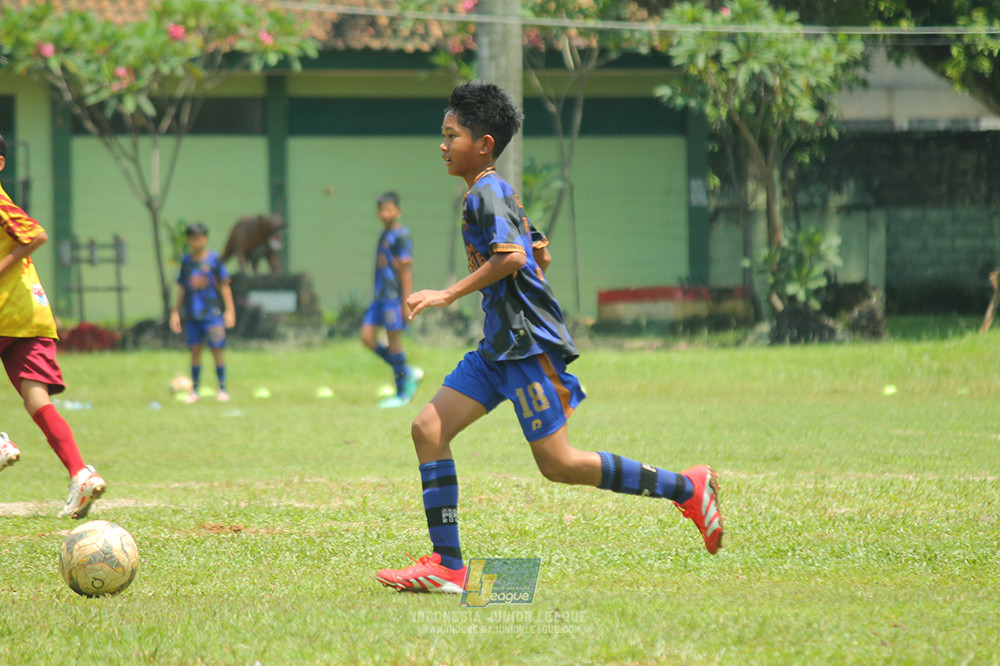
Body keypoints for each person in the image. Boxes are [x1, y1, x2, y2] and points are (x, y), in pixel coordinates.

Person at [375, 81, 724, 593]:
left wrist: (448, 293)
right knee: (428, 430)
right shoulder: (490, 191)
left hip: (526, 347)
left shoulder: (488, 191)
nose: (443, 145)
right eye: (443, 135)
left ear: (485, 144)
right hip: (498, 346)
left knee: (558, 464)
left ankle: (686, 486)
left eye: (452, 135)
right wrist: (537, 248)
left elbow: (512, 256)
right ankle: (448, 566)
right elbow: (531, 244)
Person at [0, 133, 107, 519]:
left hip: (7, 310)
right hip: (31, 314)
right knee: (36, 398)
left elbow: (36, 234)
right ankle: (80, 474)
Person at [361, 191, 422, 409]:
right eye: (381, 210)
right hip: (380, 297)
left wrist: (407, 301)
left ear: (398, 211)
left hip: (394, 298)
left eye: (389, 209)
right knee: (367, 337)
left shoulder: (401, 235)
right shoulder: (384, 234)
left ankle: (402, 393)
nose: (385, 214)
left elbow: (406, 270)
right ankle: (408, 371)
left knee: (394, 341)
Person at [169, 222, 235, 403]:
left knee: (217, 350)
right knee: (195, 351)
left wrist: (230, 310)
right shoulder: (186, 262)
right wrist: (176, 312)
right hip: (192, 315)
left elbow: (224, 285)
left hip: (212, 315)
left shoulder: (214, 260)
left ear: (205, 239)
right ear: (189, 241)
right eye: (193, 239)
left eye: (200, 238)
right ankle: (195, 391)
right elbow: (182, 288)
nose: (196, 242)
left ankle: (222, 389)